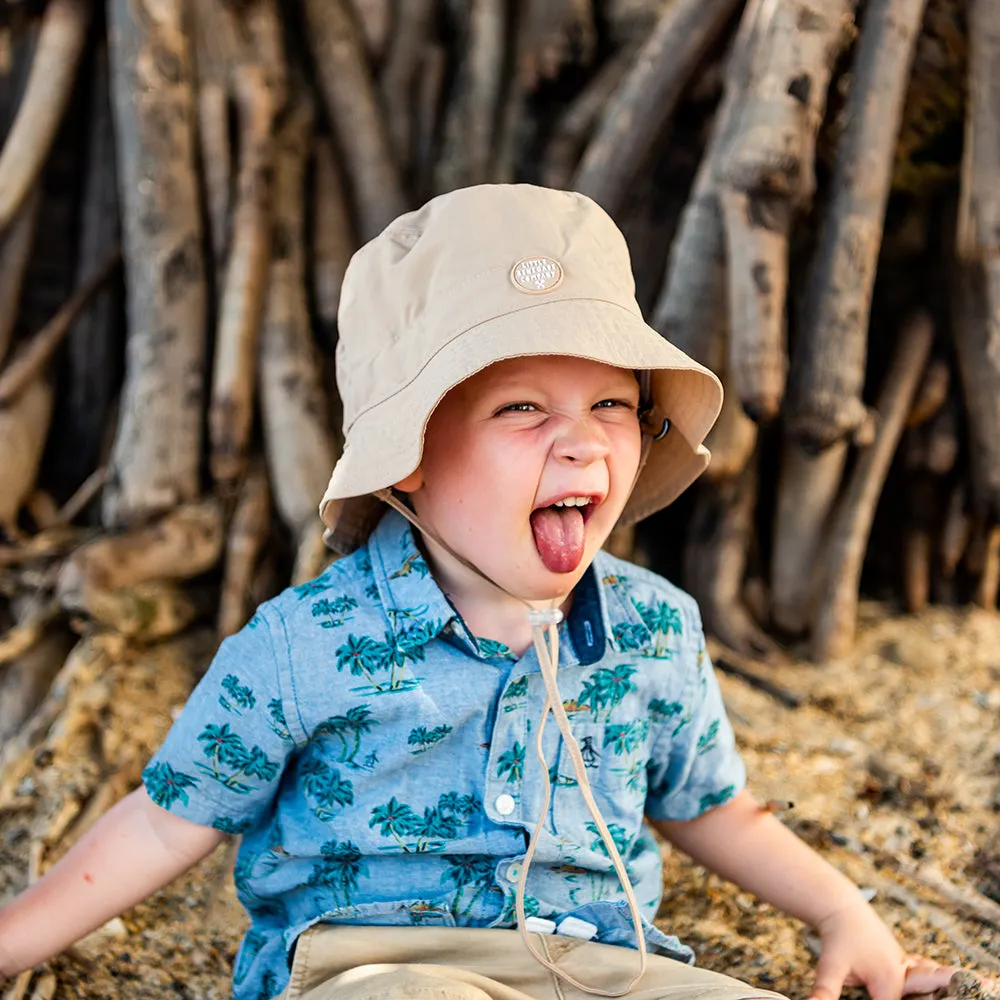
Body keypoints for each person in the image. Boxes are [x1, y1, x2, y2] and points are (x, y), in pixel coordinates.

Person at [0, 185, 958, 1000]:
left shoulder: (655, 629)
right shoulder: (308, 642)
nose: (579, 442)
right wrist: (13, 941)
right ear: (408, 459)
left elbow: (710, 806)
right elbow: (171, 816)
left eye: (612, 406)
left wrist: (843, 910)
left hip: (598, 968)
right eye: (523, 409)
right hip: (375, 962)